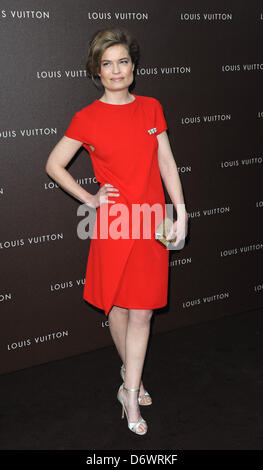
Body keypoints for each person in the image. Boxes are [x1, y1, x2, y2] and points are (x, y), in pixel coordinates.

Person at [45, 27, 188, 436]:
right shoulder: (86, 118)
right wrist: (88, 198)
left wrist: (181, 211)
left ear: (133, 65)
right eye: (107, 64)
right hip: (114, 225)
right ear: (96, 70)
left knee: (142, 309)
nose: (116, 70)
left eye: (123, 61)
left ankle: (128, 389)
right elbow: (54, 165)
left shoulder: (151, 108)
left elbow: (167, 163)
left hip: (152, 222)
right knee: (118, 308)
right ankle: (134, 378)